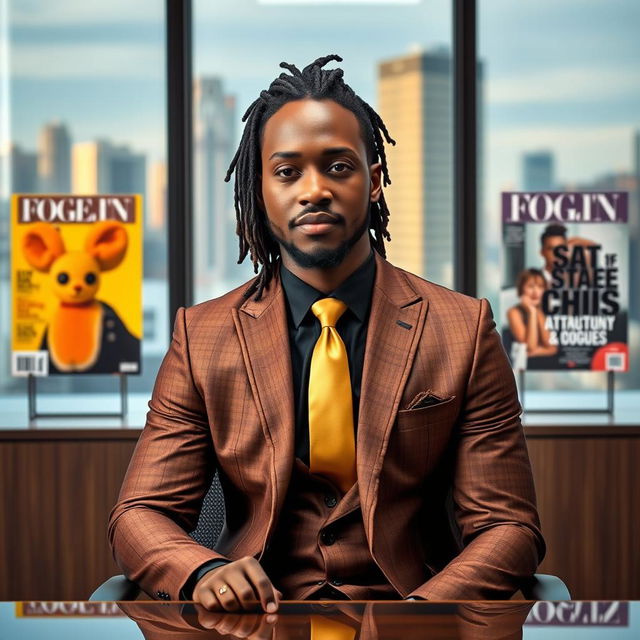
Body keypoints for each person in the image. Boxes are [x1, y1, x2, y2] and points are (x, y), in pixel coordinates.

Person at [108, 54, 545, 612]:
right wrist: (204, 572)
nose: (314, 190)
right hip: (255, 620)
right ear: (259, 191)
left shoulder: (462, 329)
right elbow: (139, 513)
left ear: (376, 181)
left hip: (412, 609)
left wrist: (421, 618)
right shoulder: (203, 336)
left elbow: (508, 526)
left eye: (338, 166)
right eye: (287, 172)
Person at [506, 268, 558, 364]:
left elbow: (552, 347)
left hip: (545, 364)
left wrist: (537, 311)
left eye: (540, 287)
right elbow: (530, 347)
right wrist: (532, 312)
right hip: (523, 366)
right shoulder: (513, 312)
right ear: (521, 288)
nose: (536, 291)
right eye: (531, 286)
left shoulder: (544, 310)